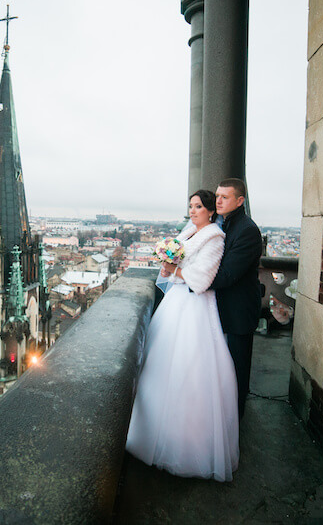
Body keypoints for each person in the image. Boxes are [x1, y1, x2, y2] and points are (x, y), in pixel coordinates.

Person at [126, 190, 239, 481]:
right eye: (190, 206)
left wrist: (174, 269)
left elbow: (203, 279)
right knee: (160, 367)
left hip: (196, 308)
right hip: (176, 303)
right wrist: (168, 265)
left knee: (190, 371)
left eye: (198, 206)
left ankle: (185, 445)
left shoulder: (215, 237)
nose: (192, 210)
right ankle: (149, 434)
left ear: (211, 211)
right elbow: (174, 271)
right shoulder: (189, 232)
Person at [208, 178, 264, 420]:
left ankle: (235, 421)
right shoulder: (224, 223)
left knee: (237, 369)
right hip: (222, 309)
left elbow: (228, 275)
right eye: (217, 195)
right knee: (222, 367)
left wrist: (188, 276)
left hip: (239, 312)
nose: (218, 200)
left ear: (240, 201)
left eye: (225, 197)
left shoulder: (247, 230)